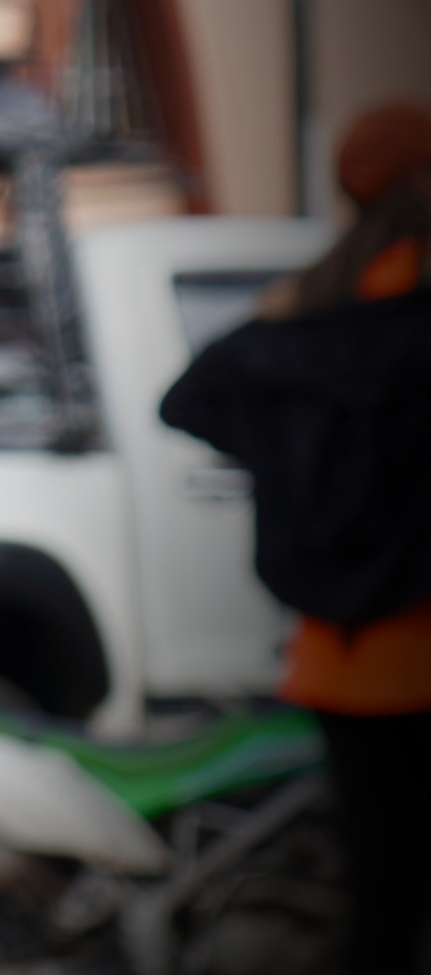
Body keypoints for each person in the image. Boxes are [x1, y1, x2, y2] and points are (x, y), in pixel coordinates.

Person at [164, 101, 431, 975]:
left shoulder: (302, 316)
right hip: (413, 648)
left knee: (380, 884)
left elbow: (190, 399)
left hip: (335, 659)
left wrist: (290, 462)